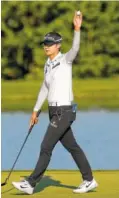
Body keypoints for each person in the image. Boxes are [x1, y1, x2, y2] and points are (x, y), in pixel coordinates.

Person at [12, 11, 98, 195]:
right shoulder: (47, 64)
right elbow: (44, 88)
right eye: (45, 44)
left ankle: (31, 183)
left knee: (45, 147)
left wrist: (77, 29)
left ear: (58, 46)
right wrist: (35, 110)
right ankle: (89, 180)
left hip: (64, 111)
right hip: (54, 112)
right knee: (72, 147)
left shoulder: (65, 60)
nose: (46, 47)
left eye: (50, 44)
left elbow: (75, 49)